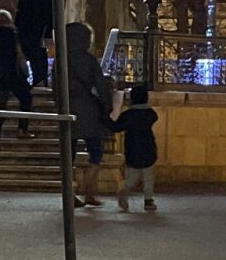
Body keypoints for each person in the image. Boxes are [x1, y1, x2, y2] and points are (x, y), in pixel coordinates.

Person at [65, 21, 113, 209]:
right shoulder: (89, 60)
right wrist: (107, 108)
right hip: (90, 111)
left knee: (68, 155)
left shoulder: (63, 60)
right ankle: (90, 191)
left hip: (68, 111)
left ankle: (70, 194)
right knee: (95, 153)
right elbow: (100, 86)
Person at [0, 8, 30, 150]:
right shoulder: (14, 35)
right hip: (13, 74)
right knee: (26, 99)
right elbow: (19, 54)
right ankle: (22, 128)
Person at [114, 84, 159, 212]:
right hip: (148, 147)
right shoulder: (150, 113)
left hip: (132, 147)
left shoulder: (128, 115)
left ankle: (124, 192)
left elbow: (117, 127)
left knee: (132, 177)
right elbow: (155, 118)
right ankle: (148, 200)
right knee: (148, 176)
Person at [15, 0, 54, 88]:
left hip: (40, 28)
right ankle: (36, 78)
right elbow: (21, 9)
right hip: (27, 29)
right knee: (30, 54)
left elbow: (50, 11)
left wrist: (49, 29)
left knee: (39, 54)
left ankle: (40, 78)